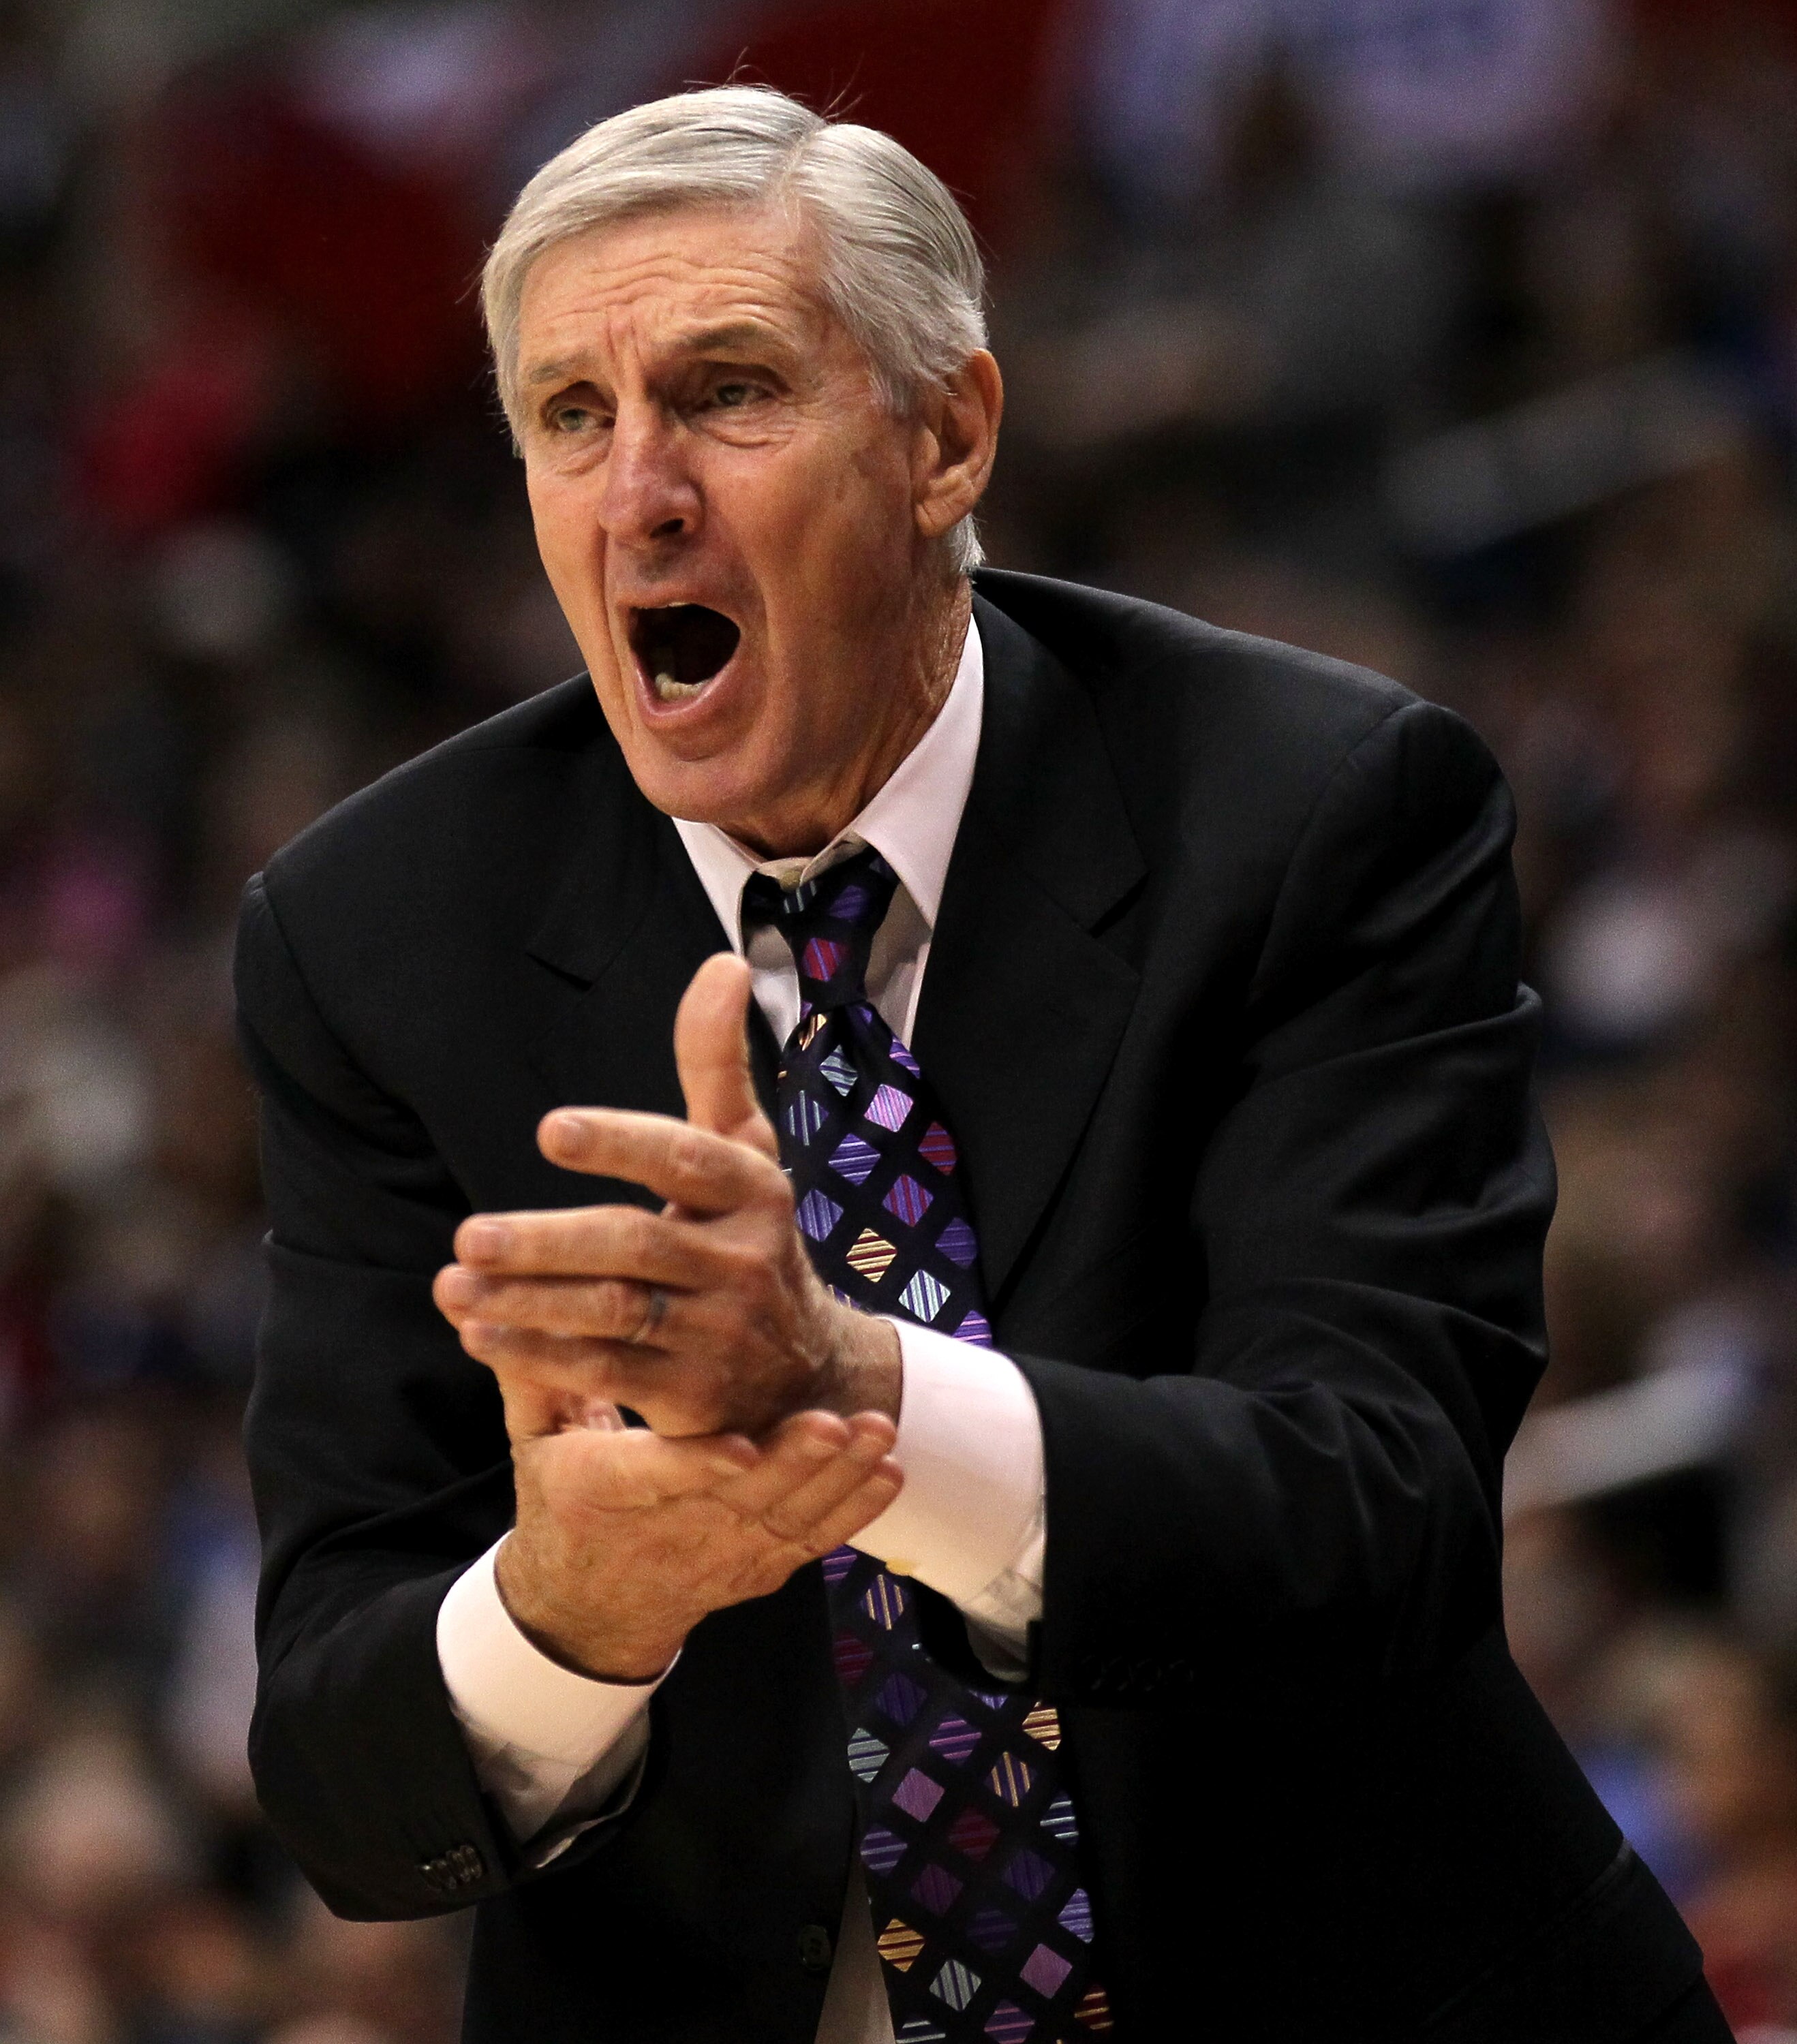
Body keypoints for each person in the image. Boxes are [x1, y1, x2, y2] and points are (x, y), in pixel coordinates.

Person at [234, 86, 1730, 2044]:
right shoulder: (373, 936)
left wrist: (848, 1392)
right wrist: (567, 1620)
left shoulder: (1311, 811)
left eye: (729, 391)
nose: (639, 499)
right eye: (571, 420)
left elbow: (1378, 1515)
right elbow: (346, 1788)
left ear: (948, 439)